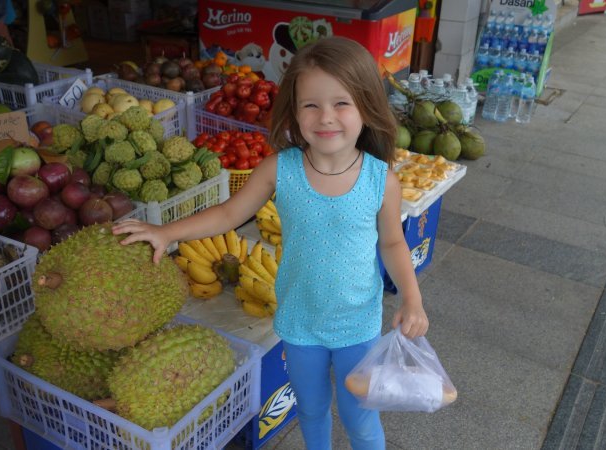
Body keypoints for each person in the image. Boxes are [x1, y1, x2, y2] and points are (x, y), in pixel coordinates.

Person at [112, 36, 429, 450]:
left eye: (341, 103)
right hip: (299, 325)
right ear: (294, 112)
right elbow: (228, 214)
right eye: (310, 104)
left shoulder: (380, 180)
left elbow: (392, 244)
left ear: (367, 107)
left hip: (359, 327)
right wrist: (165, 232)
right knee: (312, 411)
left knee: (362, 420)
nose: (325, 117)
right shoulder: (280, 169)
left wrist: (412, 298)